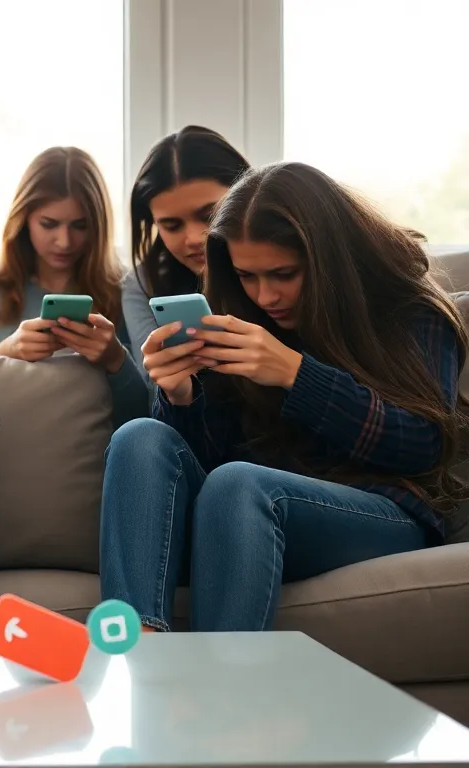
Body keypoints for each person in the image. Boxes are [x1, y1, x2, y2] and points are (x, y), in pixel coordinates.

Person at [100, 161, 468, 632]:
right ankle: (136, 653)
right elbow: (211, 462)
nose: (265, 295)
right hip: (242, 516)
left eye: (283, 273)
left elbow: (424, 447)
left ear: (330, 259)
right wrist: (181, 398)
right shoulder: (243, 311)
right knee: (140, 437)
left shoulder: (409, 312)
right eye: (247, 276)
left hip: (375, 513)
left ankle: (222, 692)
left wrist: (296, 373)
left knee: (239, 485)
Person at [0, 146, 148, 427]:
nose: (64, 241)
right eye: (49, 224)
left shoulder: (123, 289)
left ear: (98, 226)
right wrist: (10, 350)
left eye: (80, 225)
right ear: (24, 218)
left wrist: (115, 359)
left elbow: (145, 416)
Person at [123, 126, 251, 370]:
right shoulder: (144, 283)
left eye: (210, 215)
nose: (193, 238)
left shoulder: (287, 265)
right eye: (171, 225)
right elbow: (154, 388)